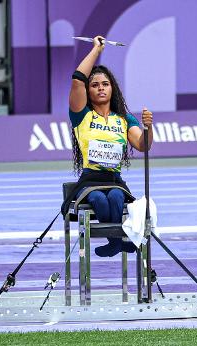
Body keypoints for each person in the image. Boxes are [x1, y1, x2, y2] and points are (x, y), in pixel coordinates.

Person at [63, 35, 153, 257]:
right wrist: (96, 50)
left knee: (114, 197)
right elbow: (76, 80)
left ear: (112, 88)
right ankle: (117, 242)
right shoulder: (81, 115)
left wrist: (149, 128)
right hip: (90, 180)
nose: (100, 88)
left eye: (105, 84)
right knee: (97, 199)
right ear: (88, 90)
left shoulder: (123, 119)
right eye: (94, 85)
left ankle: (117, 242)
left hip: (114, 179)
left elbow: (142, 145)